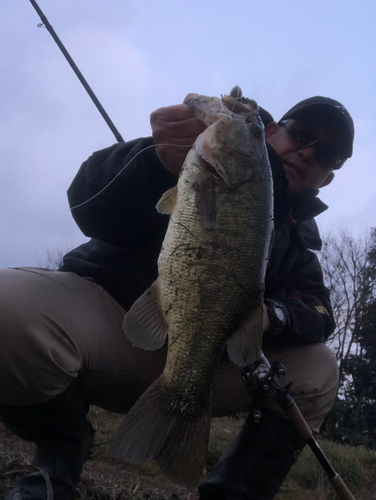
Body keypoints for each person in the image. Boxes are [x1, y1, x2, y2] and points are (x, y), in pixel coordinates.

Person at [0, 91, 354, 500]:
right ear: (272, 132)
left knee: (320, 369)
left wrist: (270, 315)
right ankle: (57, 459)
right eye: (302, 134)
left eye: (327, 154)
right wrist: (155, 160)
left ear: (328, 177)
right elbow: (86, 202)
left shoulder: (298, 247)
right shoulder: (187, 160)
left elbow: (321, 312)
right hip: (107, 331)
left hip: (203, 364)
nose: (309, 151)